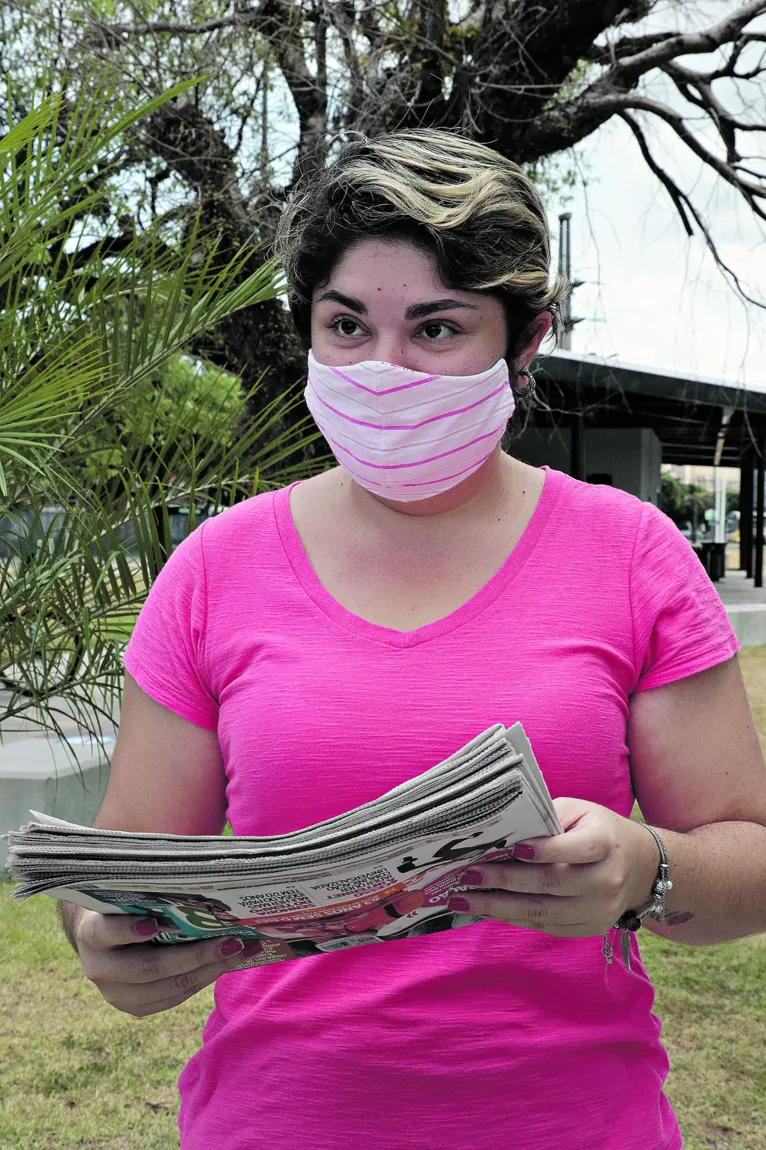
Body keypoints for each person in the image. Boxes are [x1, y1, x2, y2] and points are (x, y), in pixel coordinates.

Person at [59, 129, 766, 1150]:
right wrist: (105, 935)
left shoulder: (632, 555)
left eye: (436, 329)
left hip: (571, 1123)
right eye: (346, 325)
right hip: (275, 1124)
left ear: (525, 341)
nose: (382, 370)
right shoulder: (215, 570)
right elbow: (121, 867)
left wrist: (642, 869)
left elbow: (748, 863)